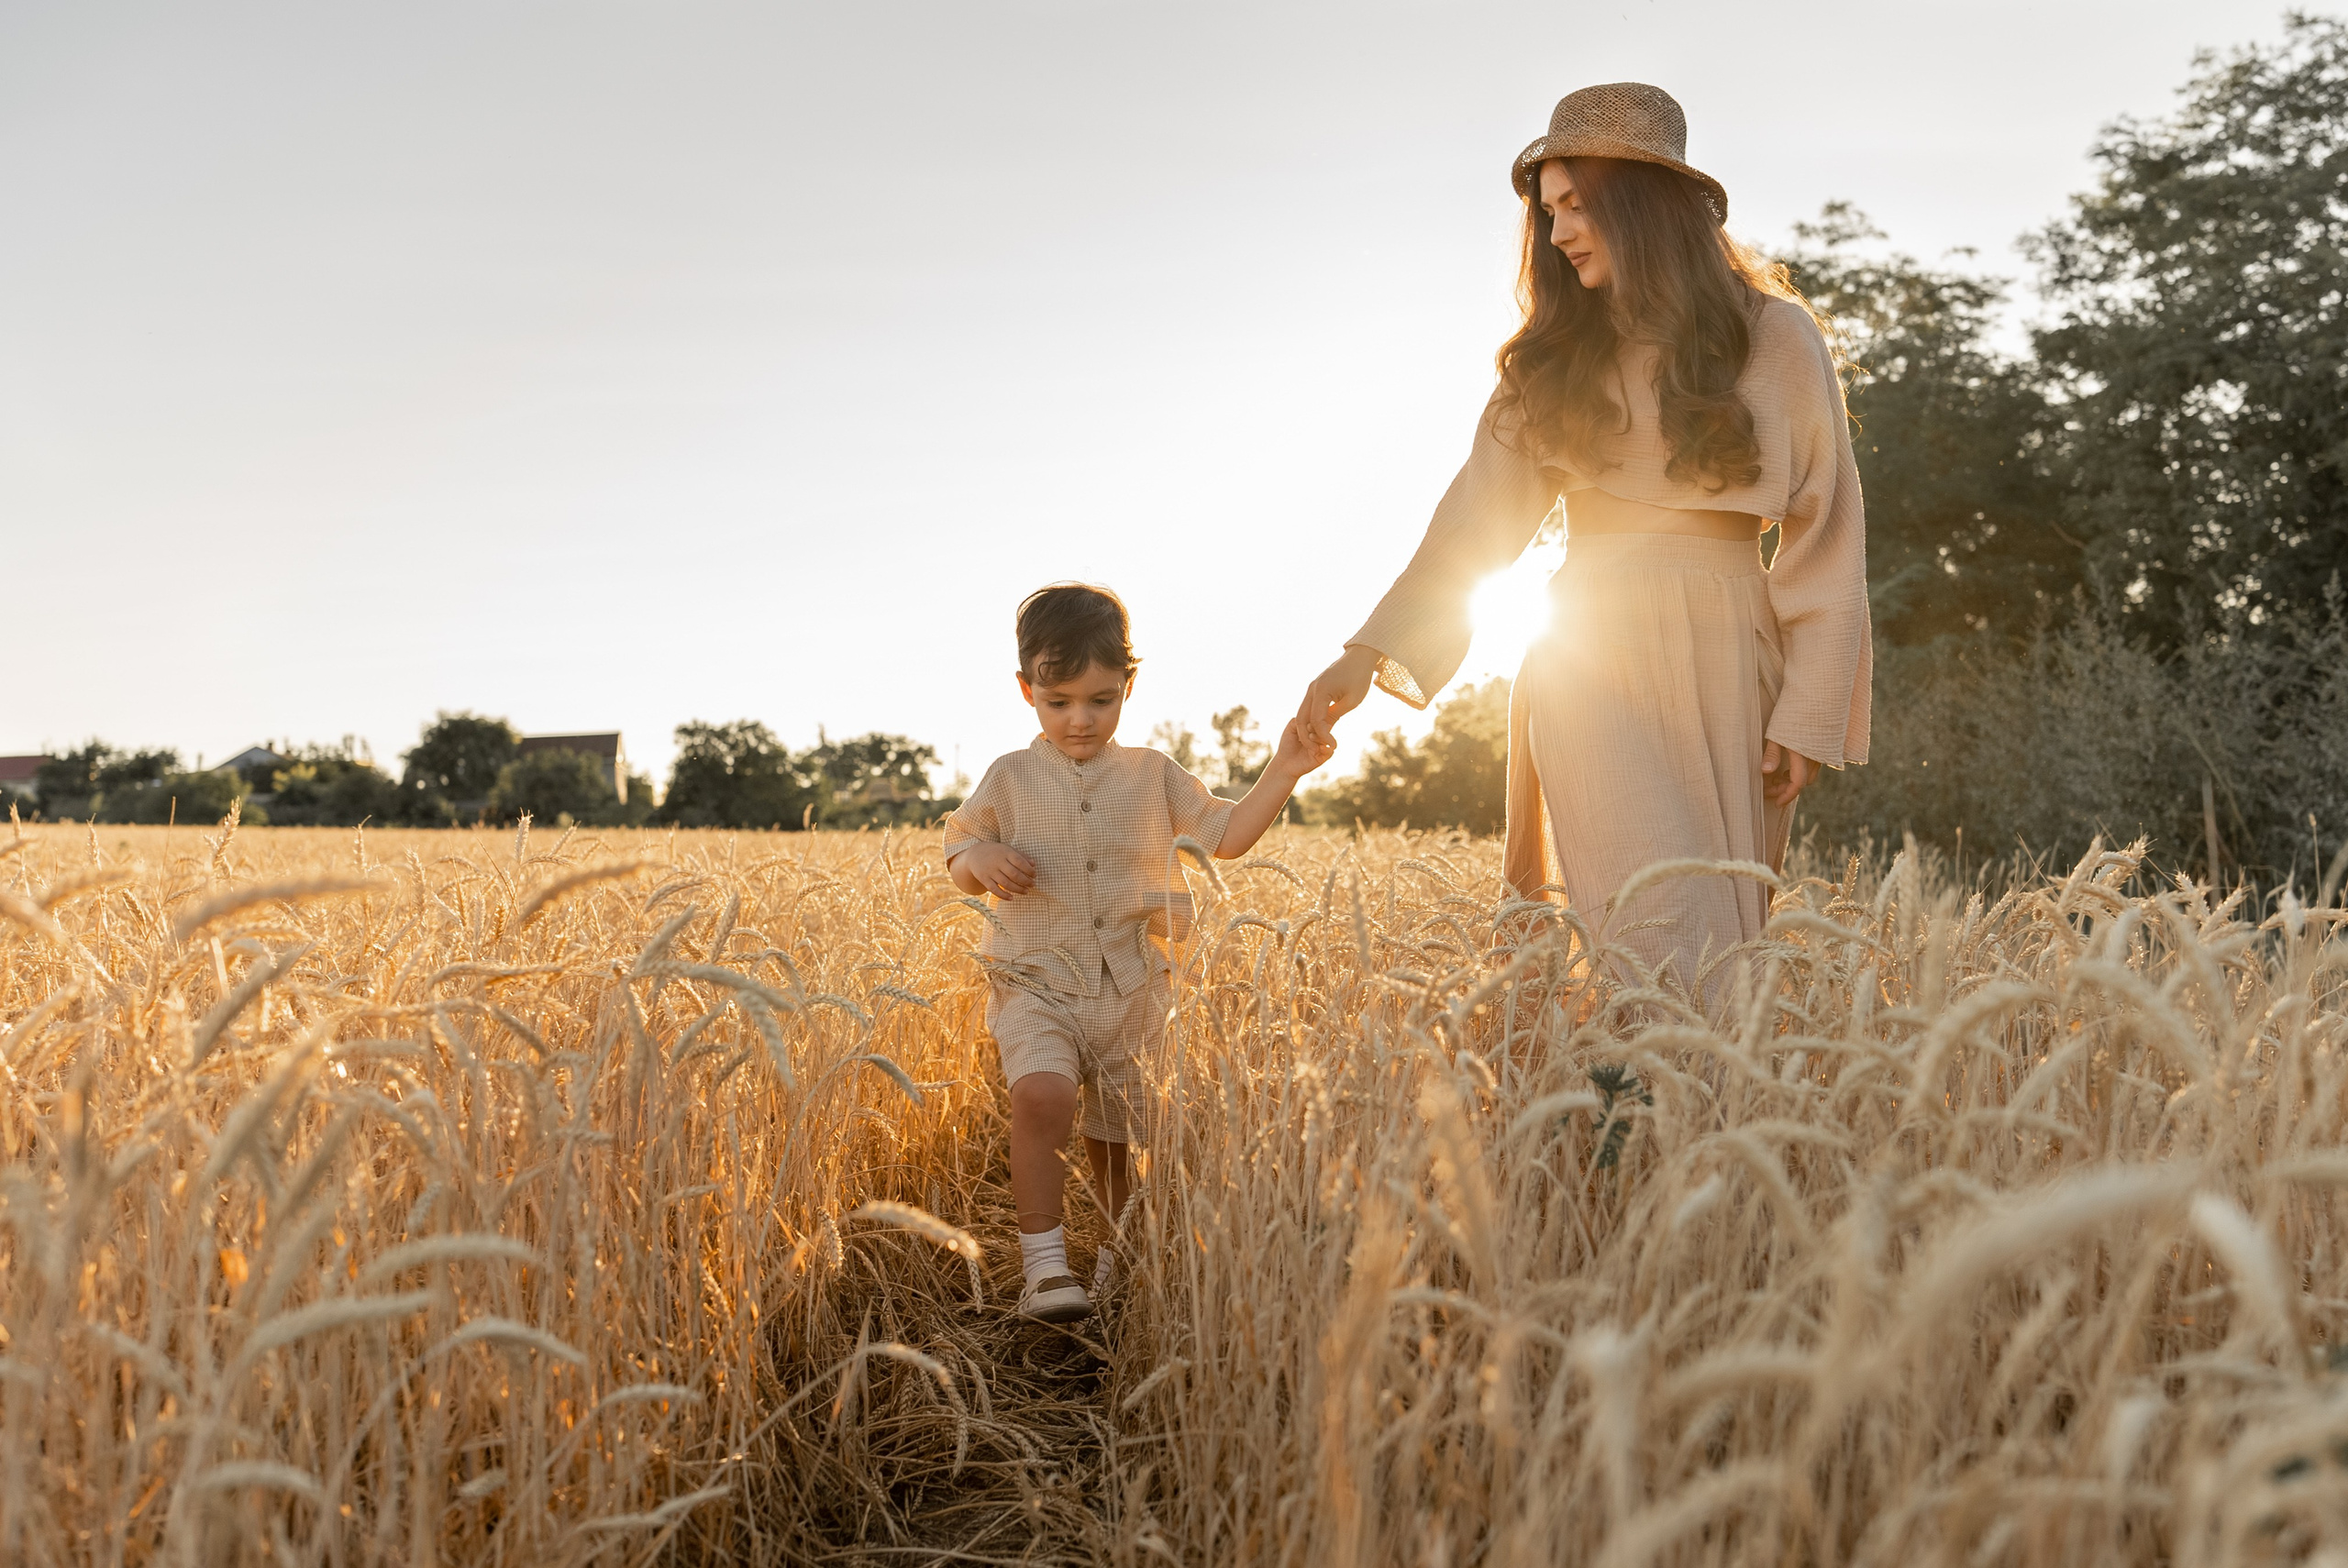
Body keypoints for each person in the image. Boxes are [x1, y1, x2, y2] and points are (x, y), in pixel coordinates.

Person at [1294, 82, 1871, 1007]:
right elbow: (1474, 522)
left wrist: (1807, 711)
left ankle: (1681, 1145)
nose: (1557, 232)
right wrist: (1367, 650)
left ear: (1641, 206)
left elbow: (1827, 531)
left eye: (1576, 204)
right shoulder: (1553, 359)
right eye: (1547, 209)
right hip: (1585, 653)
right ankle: (1608, 1127)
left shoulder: (1776, 336)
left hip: (1732, 656)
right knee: (1653, 926)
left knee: (1723, 953)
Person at [946, 582, 1331, 1322]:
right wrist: (983, 857)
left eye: (1100, 699)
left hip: (1133, 987)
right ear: (1026, 689)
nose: (1080, 719)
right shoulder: (1010, 776)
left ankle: (1123, 1251)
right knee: (1041, 1097)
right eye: (1058, 701)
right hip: (1035, 980)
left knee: (1121, 1138)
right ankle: (1046, 1269)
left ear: (1129, 686)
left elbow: (1225, 835)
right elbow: (959, 849)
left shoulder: (1155, 774)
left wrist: (1283, 770)